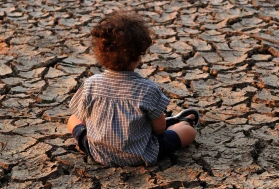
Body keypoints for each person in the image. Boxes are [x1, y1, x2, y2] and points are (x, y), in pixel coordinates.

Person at [67, 10, 199, 167]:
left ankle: (175, 122)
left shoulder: (90, 84)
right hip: (140, 154)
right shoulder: (147, 89)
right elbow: (159, 129)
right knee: (188, 131)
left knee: (72, 119)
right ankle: (180, 122)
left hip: (98, 152)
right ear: (138, 56)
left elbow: (82, 117)